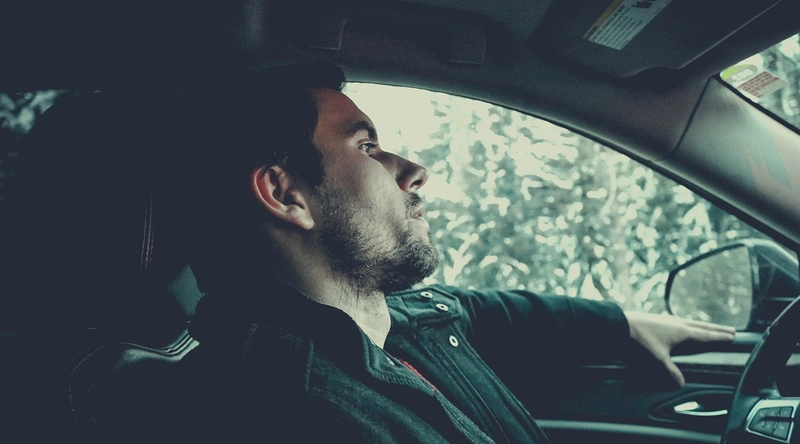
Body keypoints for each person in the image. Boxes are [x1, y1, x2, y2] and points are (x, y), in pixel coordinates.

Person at [169, 62, 735, 443]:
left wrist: (623, 324)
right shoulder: (300, 413)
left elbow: (487, 311)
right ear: (285, 194)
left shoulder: (394, 319)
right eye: (367, 147)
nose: (415, 171)